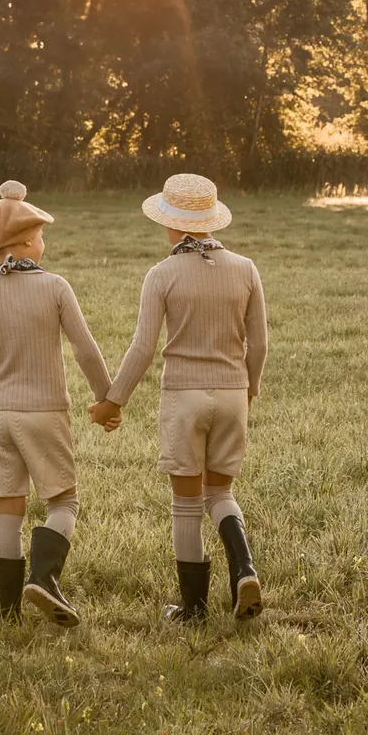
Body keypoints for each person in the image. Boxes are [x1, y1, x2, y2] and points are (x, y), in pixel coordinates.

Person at [0, 181, 113, 626]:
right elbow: (85, 349)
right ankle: (43, 578)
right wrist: (107, 397)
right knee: (64, 502)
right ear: (27, 240)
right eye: (41, 234)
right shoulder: (55, 287)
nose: (43, 241)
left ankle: (8, 611)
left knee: (7, 510)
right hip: (44, 412)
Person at [90, 173, 267, 622]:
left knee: (186, 505)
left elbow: (142, 348)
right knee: (220, 493)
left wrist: (113, 401)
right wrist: (250, 388)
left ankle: (193, 608)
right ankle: (244, 570)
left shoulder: (162, 275)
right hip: (232, 394)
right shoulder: (245, 268)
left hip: (184, 399)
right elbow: (259, 344)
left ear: (170, 224)